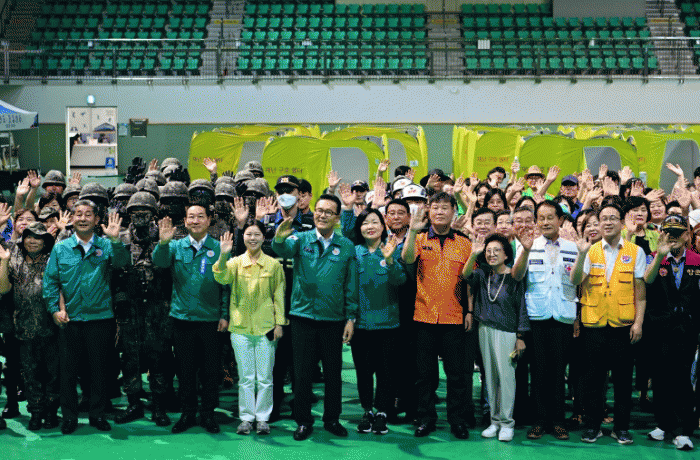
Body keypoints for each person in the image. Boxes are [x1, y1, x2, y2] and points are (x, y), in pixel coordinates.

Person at [272, 194, 358, 441]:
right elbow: (281, 249)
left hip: (333, 319)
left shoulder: (347, 246)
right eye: (319, 210)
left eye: (328, 212)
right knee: (302, 373)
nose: (322, 215)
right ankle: (303, 420)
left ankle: (332, 419)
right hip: (303, 317)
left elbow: (350, 284)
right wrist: (279, 237)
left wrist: (350, 318)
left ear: (337, 218)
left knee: (332, 373)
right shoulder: (301, 239)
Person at [43, 200, 129, 434]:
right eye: (78, 214)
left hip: (100, 319)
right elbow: (51, 282)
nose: (82, 218)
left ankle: (97, 414)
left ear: (97, 220)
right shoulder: (61, 248)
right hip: (69, 320)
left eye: (88, 214)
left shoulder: (106, 245)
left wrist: (115, 240)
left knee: (98, 370)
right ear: (71, 219)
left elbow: (122, 263)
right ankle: (69, 417)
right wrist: (54, 310)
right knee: (68, 372)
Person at [570, 203, 646, 445]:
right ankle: (592, 426)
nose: (608, 222)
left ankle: (621, 428)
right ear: (599, 223)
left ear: (622, 222)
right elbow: (575, 280)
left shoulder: (636, 252)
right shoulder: (589, 251)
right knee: (593, 380)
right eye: (604, 218)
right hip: (594, 325)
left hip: (623, 326)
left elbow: (640, 294)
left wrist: (638, 323)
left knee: (623, 382)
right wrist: (581, 254)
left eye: (613, 218)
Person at [402, 192, 472, 440]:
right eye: (435, 207)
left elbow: (469, 281)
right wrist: (412, 231)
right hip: (424, 317)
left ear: (454, 212)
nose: (440, 212)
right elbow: (407, 259)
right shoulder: (419, 238)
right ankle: (426, 419)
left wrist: (470, 311)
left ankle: (457, 420)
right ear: (429, 211)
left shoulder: (464, 243)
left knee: (456, 375)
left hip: (454, 317)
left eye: (445, 208)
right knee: (425, 375)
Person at [153, 204, 229, 434]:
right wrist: (163, 242)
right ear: (185, 222)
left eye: (200, 217)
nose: (195, 221)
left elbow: (227, 285)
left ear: (209, 220)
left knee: (210, 371)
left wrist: (224, 314)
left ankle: (208, 414)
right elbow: (160, 262)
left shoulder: (219, 247)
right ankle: (187, 413)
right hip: (182, 319)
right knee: (185, 370)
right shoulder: (175, 246)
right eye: (191, 217)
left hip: (210, 320)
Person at [512, 200, 578, 441]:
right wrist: (525, 250)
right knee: (538, 371)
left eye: (551, 217)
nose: (546, 222)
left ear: (560, 220)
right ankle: (539, 420)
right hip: (537, 316)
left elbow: (579, 283)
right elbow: (517, 276)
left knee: (559, 371)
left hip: (563, 316)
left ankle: (558, 421)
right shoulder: (529, 245)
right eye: (541, 218)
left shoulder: (574, 247)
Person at [214, 222, 286, 436]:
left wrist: (279, 323)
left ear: (264, 238)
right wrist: (223, 255)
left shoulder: (274, 265)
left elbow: (279, 295)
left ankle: (262, 418)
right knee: (245, 377)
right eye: (248, 234)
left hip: (266, 328)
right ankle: (246, 418)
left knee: (265, 377)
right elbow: (220, 276)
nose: (252, 238)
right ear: (243, 237)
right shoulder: (235, 262)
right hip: (240, 328)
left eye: (256, 234)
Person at [113, 192, 173, 427]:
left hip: (158, 308)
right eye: (135, 213)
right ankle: (133, 404)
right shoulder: (120, 237)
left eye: (145, 213)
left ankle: (159, 406)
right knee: (130, 360)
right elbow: (114, 272)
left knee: (159, 359)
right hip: (129, 308)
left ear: (153, 215)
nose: (139, 217)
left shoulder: (164, 236)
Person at [464, 233, 528, 442]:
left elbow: (521, 306)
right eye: (488, 251)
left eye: (496, 251)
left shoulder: (514, 277)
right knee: (490, 378)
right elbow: (466, 275)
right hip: (484, 329)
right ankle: (494, 421)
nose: (491, 254)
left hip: (507, 331)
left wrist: (520, 336)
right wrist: (474, 255)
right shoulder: (483, 274)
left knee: (506, 378)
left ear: (506, 254)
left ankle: (507, 423)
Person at [644, 215, 699, 451]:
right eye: (668, 233)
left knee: (682, 379)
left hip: (687, 329)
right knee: (660, 376)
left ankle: (683, 430)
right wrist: (660, 255)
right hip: (660, 328)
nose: (673, 237)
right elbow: (647, 280)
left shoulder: (697, 261)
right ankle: (663, 424)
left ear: (687, 235)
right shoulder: (655, 257)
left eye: (677, 233)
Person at [351, 209, 406, 435]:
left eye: (374, 222)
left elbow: (400, 280)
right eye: (365, 223)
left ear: (383, 226)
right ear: (360, 228)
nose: (370, 226)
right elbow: (349, 288)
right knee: (363, 371)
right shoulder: (354, 253)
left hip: (388, 324)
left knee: (386, 371)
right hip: (361, 325)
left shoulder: (392, 249)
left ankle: (382, 411)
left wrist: (390, 259)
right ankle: (367, 410)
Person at [0, 223, 57, 431]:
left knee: (52, 374)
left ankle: (51, 412)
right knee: (30, 374)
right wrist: (4, 261)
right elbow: (3, 288)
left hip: (52, 328)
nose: (32, 241)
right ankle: (36, 412)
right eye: (28, 237)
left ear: (45, 241)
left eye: (38, 237)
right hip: (24, 328)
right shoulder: (15, 260)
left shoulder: (53, 259)